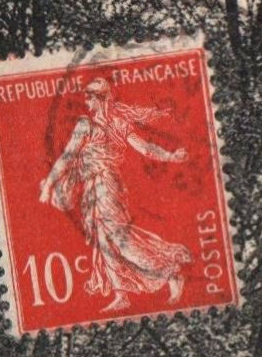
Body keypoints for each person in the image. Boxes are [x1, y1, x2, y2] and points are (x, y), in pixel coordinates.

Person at [37, 76, 192, 313]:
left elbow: (143, 147)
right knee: (103, 240)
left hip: (107, 185)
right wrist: (49, 184)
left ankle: (170, 274)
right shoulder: (92, 125)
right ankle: (121, 294)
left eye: (90, 98)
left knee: (121, 239)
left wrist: (169, 156)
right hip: (93, 188)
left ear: (100, 100)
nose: (86, 102)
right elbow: (68, 157)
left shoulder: (110, 124)